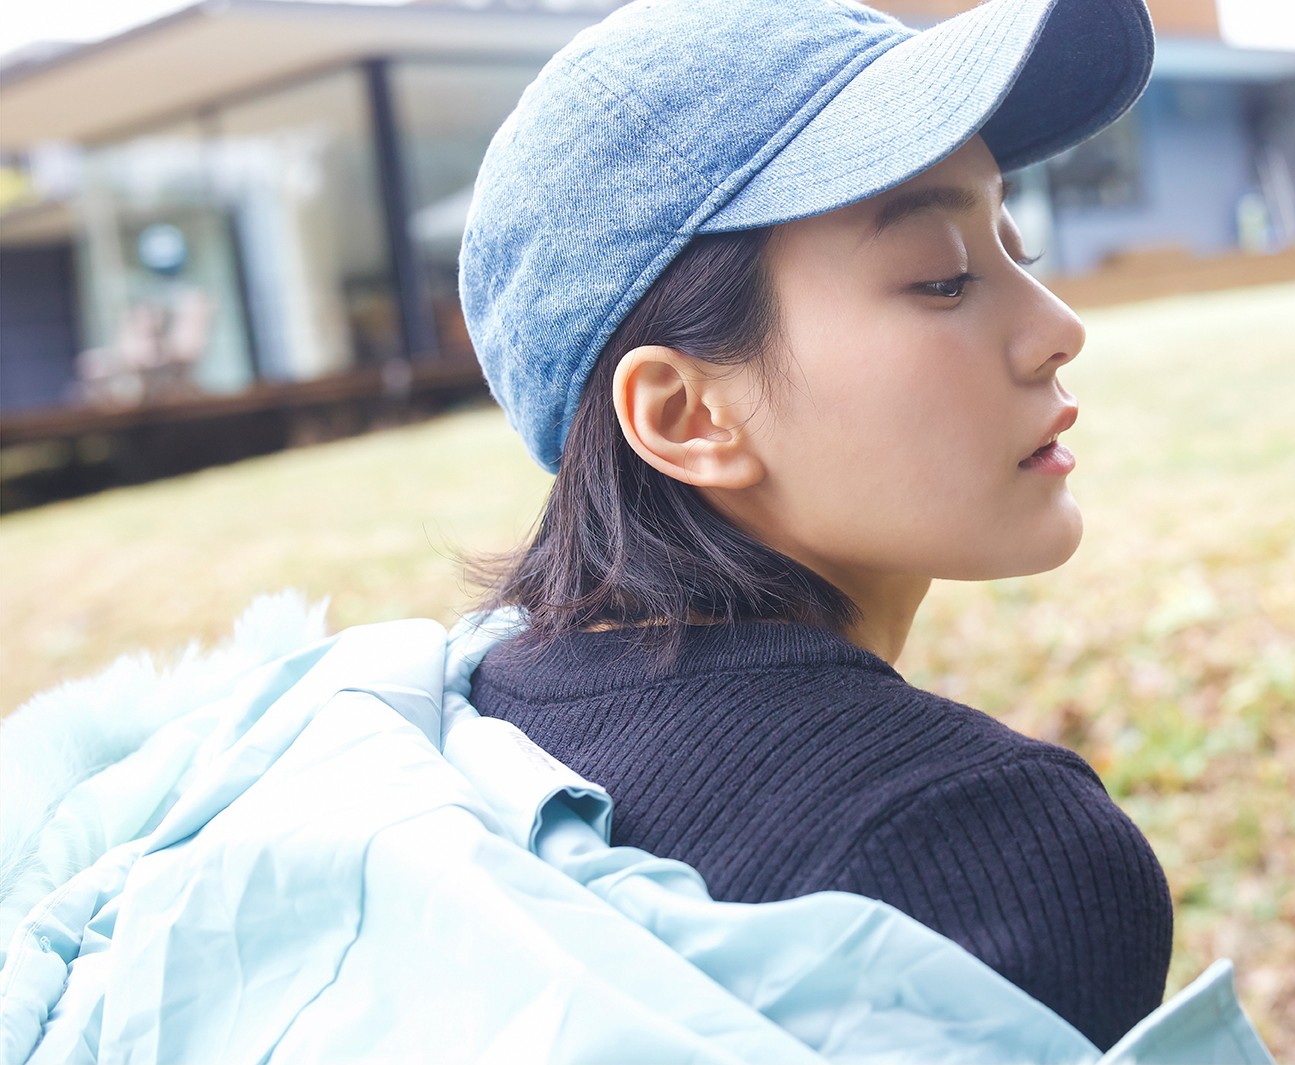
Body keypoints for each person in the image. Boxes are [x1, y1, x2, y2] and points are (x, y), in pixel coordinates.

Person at [459, 0, 1168, 1050]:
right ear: (687, 415)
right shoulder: (972, 853)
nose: (1057, 329)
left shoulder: (474, 717)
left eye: (1016, 246)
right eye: (943, 278)